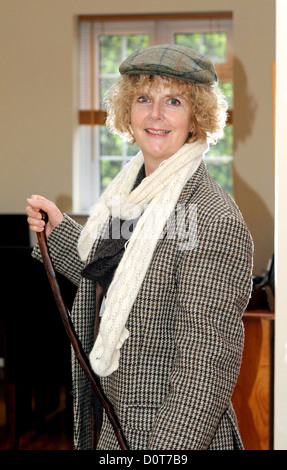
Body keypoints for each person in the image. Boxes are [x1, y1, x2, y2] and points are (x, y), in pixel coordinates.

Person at [26, 44, 253, 450]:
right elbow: (113, 274)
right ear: (126, 110)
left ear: (197, 117)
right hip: (112, 424)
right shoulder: (131, 196)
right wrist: (59, 230)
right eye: (144, 99)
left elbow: (204, 375)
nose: (156, 115)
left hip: (165, 437)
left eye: (174, 101)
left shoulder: (212, 219)